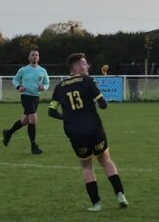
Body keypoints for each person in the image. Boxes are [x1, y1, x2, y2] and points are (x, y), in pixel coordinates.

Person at [49, 53, 128, 211]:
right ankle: (120, 195)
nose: (88, 67)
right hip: (94, 129)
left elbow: (51, 111)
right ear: (76, 67)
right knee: (105, 160)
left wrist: (66, 117)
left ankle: (96, 204)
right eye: (85, 64)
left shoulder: (60, 87)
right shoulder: (87, 81)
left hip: (75, 132)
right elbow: (103, 104)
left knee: (86, 167)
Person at [3, 49, 49, 154]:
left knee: (25, 121)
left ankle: (8, 133)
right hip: (26, 96)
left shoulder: (42, 70)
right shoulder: (23, 70)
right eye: (33, 55)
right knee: (33, 119)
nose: (35, 57)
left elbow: (47, 83)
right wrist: (18, 86)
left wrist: (44, 87)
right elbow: (15, 80)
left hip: (36, 97)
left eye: (37, 55)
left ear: (39, 57)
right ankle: (34, 146)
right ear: (29, 58)